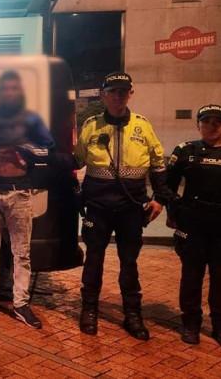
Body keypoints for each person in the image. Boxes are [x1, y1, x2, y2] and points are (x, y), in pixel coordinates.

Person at [74, 72, 172, 340]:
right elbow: (77, 160)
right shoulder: (91, 126)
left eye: (123, 91)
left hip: (132, 207)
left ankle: (133, 314)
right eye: (113, 92)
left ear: (130, 94)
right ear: (103, 95)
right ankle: (89, 310)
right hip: (98, 206)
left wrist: (160, 198)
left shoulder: (143, 125)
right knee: (94, 258)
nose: (118, 96)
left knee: (129, 262)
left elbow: (158, 164)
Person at [0, 70, 54, 329]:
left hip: (20, 192)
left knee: (21, 253)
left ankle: (20, 304)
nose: (9, 92)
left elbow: (49, 149)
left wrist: (22, 149)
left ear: (20, 92)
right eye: (4, 88)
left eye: (13, 88)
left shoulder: (30, 120)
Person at [166, 104, 221, 346]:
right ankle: (190, 323)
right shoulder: (186, 150)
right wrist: (175, 212)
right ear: (198, 124)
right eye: (206, 121)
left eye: (217, 121)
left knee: (220, 277)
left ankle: (219, 325)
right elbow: (167, 185)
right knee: (191, 276)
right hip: (193, 224)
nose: (212, 125)